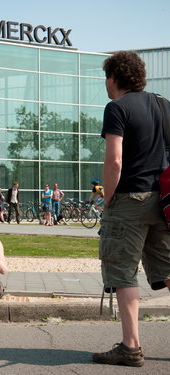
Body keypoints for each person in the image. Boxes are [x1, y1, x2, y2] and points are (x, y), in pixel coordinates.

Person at [92, 51, 170, 367]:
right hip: (162, 201)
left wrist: (108, 199)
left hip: (129, 200)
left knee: (122, 272)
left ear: (113, 78)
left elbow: (114, 160)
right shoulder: (164, 105)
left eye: (106, 78)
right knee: (167, 270)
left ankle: (131, 346)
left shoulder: (117, 108)